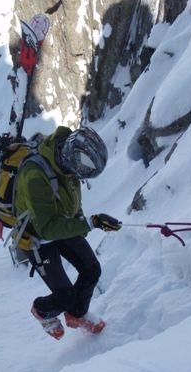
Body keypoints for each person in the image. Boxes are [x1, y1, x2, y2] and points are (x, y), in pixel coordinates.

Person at [14, 125, 122, 340]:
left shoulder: (68, 161)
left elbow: (72, 201)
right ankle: (42, 311)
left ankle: (77, 315)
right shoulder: (35, 175)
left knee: (91, 270)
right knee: (64, 296)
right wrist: (90, 224)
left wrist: (82, 222)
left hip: (61, 224)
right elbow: (47, 228)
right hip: (37, 238)